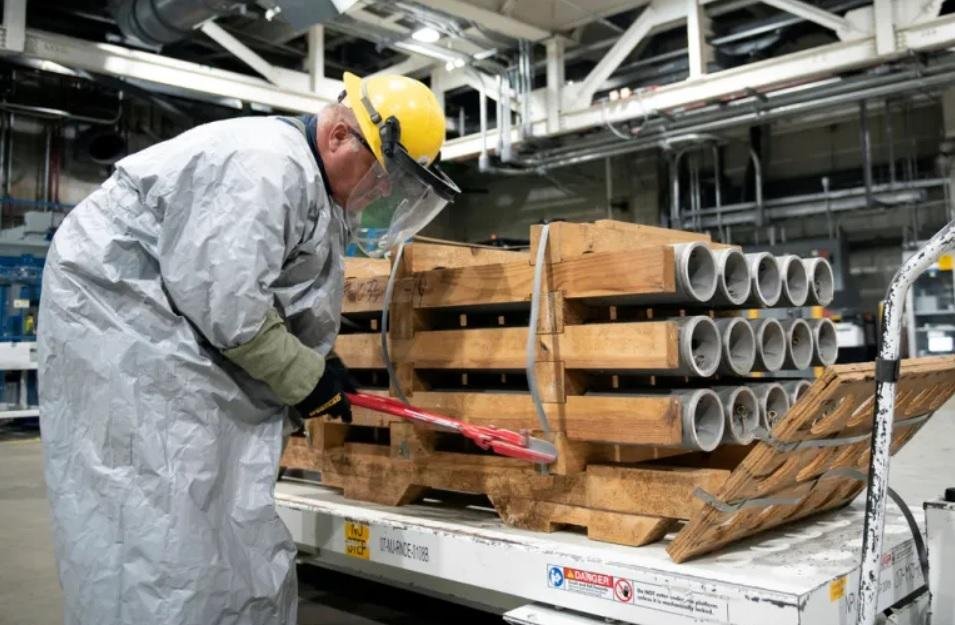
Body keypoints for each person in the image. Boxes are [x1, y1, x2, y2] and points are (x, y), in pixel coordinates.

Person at [38, 72, 459, 625]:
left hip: (170, 321)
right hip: (126, 321)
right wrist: (306, 379)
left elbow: (273, 291)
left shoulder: (310, 185)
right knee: (162, 504)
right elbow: (229, 306)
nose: (382, 193)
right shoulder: (265, 165)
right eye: (384, 175)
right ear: (338, 139)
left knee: (210, 499)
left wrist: (317, 365)